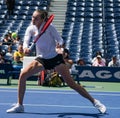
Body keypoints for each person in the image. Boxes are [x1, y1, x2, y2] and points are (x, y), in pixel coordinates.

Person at [6, 9, 106, 114]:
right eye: (32, 17)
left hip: (54, 58)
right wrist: (25, 48)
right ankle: (20, 105)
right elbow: (26, 40)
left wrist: (60, 46)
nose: (33, 19)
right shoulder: (30, 28)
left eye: (36, 18)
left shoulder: (50, 27)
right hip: (41, 59)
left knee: (71, 84)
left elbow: (60, 40)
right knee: (23, 75)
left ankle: (95, 102)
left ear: (43, 19)